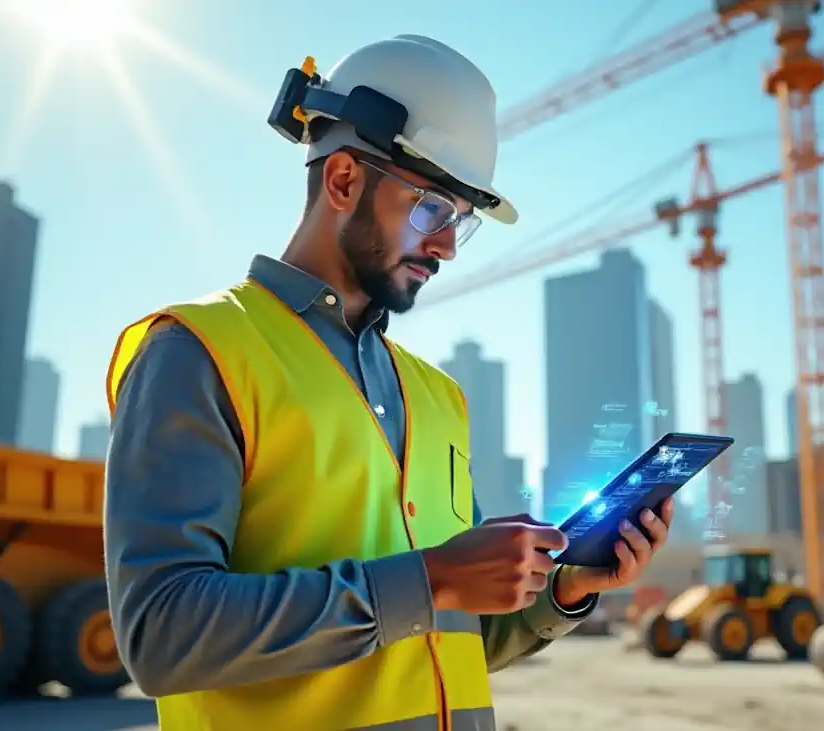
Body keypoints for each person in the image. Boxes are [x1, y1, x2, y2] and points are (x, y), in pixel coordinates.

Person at [102, 34, 674, 731]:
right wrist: (433, 575)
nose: (443, 246)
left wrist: (564, 588)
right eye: (433, 208)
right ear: (343, 180)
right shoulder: (199, 353)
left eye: (461, 221)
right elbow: (162, 637)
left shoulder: (438, 398)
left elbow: (444, 636)